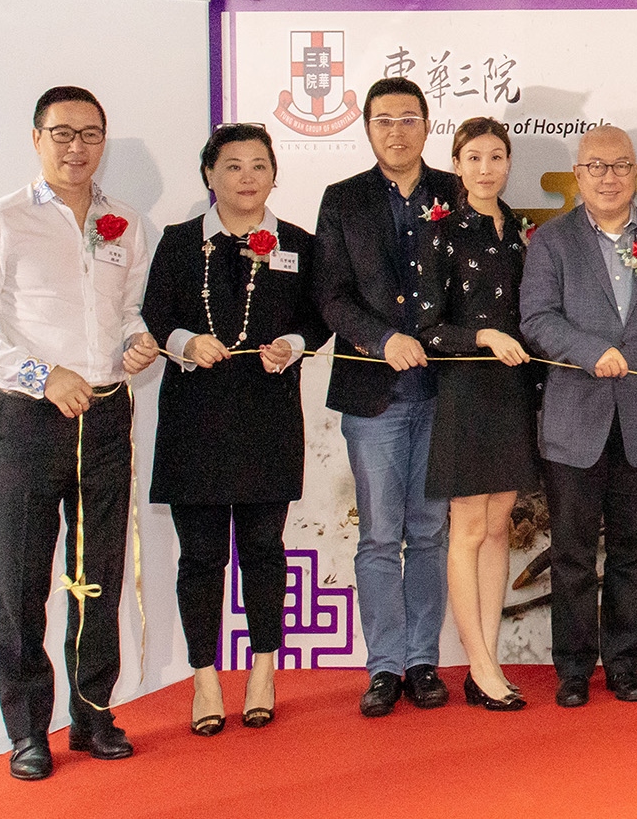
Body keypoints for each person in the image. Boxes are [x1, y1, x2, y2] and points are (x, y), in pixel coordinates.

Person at [0, 85, 158, 780]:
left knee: (98, 576)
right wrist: (41, 375)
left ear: (103, 141)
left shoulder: (126, 223)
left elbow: (128, 311)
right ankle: (28, 729)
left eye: (90, 133)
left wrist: (137, 342)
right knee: (22, 577)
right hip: (29, 420)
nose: (76, 147)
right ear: (37, 138)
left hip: (106, 415)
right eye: (62, 133)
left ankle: (93, 714)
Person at [144, 123, 326, 737]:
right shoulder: (178, 242)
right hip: (193, 420)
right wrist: (184, 342)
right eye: (232, 166)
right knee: (200, 555)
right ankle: (204, 678)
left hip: (267, 417)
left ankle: (263, 671)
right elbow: (154, 314)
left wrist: (293, 344)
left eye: (258, 166)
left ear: (274, 174)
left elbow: (318, 319)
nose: (247, 178)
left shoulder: (297, 243)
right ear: (209, 174)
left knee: (264, 550)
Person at [312, 76, 466, 717]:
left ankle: (423, 661)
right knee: (379, 536)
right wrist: (382, 339)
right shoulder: (343, 199)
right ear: (367, 128)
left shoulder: (456, 192)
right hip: (373, 393)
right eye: (384, 120)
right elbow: (329, 295)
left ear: (426, 126)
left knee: (429, 531)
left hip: (444, 391)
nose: (396, 131)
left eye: (408, 119)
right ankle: (383, 667)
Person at [518, 125, 637, 708]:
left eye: (621, 165)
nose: (609, 178)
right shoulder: (552, 241)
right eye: (596, 167)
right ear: (578, 175)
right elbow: (536, 318)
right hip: (574, 419)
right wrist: (590, 351)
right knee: (573, 554)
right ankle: (574, 668)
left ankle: (626, 664)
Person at [415, 117, 540, 711]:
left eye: (496, 157)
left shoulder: (521, 231)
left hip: (513, 392)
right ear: (456, 166)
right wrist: (484, 336)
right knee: (467, 529)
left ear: (508, 163)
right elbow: (426, 328)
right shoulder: (441, 231)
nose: (486, 168)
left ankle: (487, 659)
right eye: (474, 158)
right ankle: (480, 664)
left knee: (497, 526)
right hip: (465, 390)